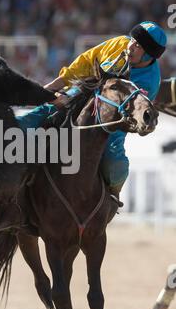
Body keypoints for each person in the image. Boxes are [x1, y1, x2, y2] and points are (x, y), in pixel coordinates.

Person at [17, 21, 167, 200]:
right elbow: (86, 62)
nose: (132, 46)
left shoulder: (150, 82)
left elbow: (131, 116)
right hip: (85, 92)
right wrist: (50, 88)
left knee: (116, 167)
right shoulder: (119, 43)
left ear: (148, 56)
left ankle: (110, 203)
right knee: (37, 116)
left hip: (113, 121)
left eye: (139, 46)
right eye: (133, 40)